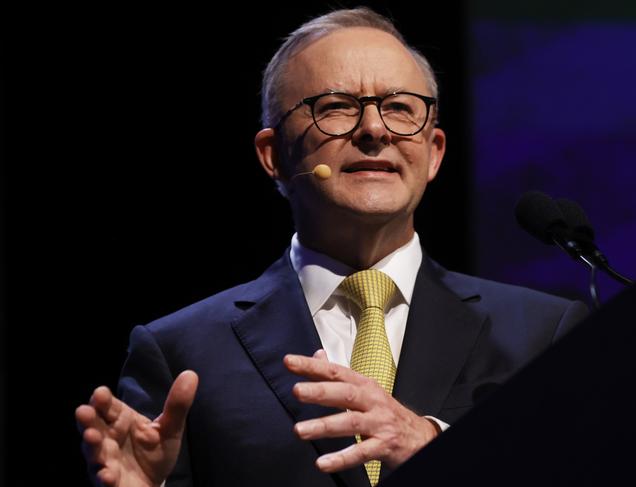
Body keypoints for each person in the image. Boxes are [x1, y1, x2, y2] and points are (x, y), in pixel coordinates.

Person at [75, 7, 589, 487]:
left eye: (399, 108)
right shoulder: (180, 351)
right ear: (272, 155)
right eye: (337, 108)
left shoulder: (543, 336)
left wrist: (432, 442)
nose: (373, 130)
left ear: (433, 154)